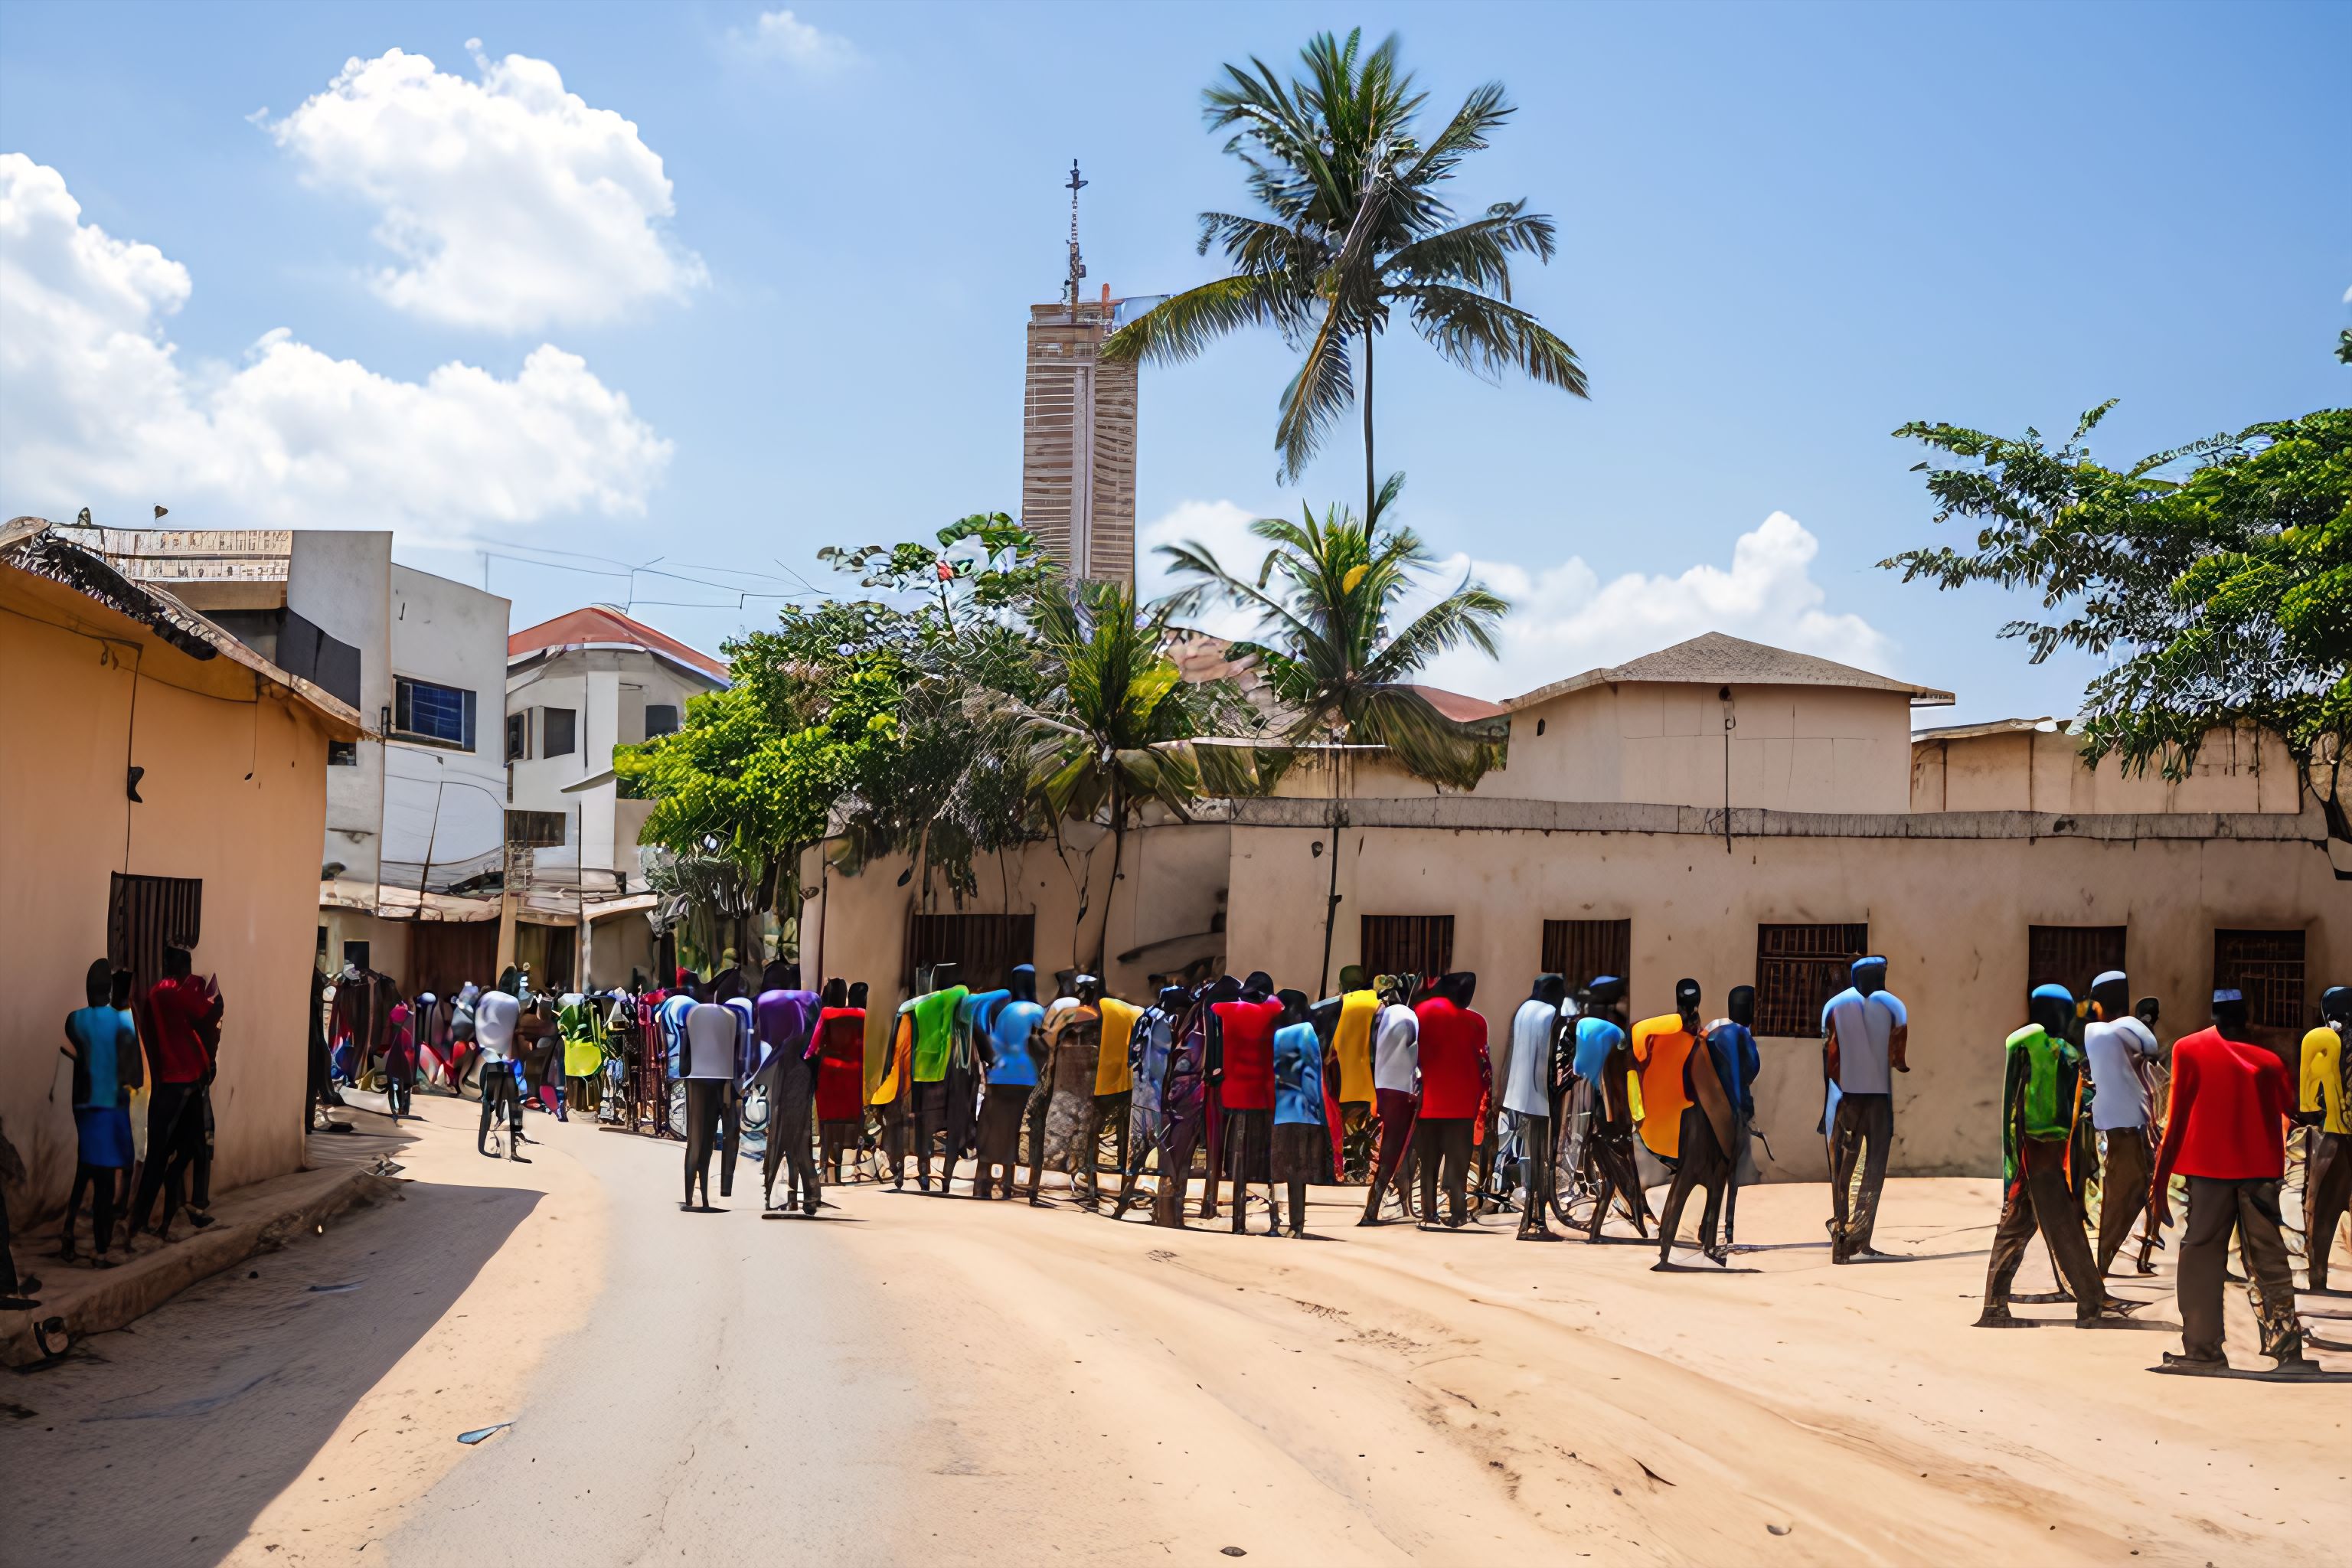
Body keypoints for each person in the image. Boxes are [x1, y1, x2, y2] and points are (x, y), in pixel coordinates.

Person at [2152, 989, 2311, 1373]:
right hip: (2259, 1174)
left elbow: (2177, 1119)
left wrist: (2158, 1183)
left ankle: (2203, 1349)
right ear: (2247, 1016)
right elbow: (2287, 1110)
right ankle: (2286, 1347)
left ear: (2213, 1015)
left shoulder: (2189, 1049)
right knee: (2268, 1258)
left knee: (2200, 1257)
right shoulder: (2269, 1061)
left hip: (2208, 1173)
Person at [1977, 985, 2134, 1326]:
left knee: (2027, 1225)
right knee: (2051, 1226)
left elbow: (2075, 1105)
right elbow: (2012, 1103)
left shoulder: (2063, 1051)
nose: (2066, 1019)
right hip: (2037, 1152)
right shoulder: (2030, 1044)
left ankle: (2084, 1303)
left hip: (2046, 1151)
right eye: (2062, 1012)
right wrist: (2013, 1157)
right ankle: (2088, 1305)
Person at [1657, 985, 1759, 1267]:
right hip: (1718, 1120)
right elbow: (1744, 1076)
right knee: (1718, 1180)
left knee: (1684, 1181)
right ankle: (1712, 1244)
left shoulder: (1708, 1033)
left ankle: (1665, 1246)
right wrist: (1740, 1112)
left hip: (1693, 1116)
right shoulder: (1739, 1036)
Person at [127, 947, 223, 1243]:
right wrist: (211, 994)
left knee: (177, 1148)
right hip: (180, 1080)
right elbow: (209, 1011)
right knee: (185, 1146)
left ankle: (165, 1212)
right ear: (175, 966)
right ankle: (156, 1214)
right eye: (185, 964)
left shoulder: (161, 993)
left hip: (179, 1079)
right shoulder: (170, 991)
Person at [1822, 956, 1907, 1263]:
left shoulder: (1834, 1007)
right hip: (1878, 1101)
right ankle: (1860, 1238)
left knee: (1843, 1171)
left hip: (1847, 1099)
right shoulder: (1893, 1007)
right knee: (1873, 1171)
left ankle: (1841, 1240)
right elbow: (1899, 1057)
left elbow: (1829, 1059)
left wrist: (1829, 1106)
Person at [2081, 970, 2163, 1276]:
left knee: (2123, 1192)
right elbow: (2151, 1045)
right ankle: (2100, 1262)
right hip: (2125, 1129)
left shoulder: (2096, 1033)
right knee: (2126, 1193)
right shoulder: (2115, 1029)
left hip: (2115, 1127)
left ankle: (2103, 1259)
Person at [60, 959, 140, 1266]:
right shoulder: (123, 1024)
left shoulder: (76, 1020)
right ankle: (101, 1249)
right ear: (109, 990)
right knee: (105, 1182)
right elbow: (136, 1078)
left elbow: (76, 1038)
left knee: (85, 1169)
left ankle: (68, 1231)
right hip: (110, 1110)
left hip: (84, 1110)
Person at [1571, 977, 1649, 1241]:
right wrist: (1636, 1113)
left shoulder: (1581, 1025)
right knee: (1618, 1174)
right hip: (1611, 1113)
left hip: (1584, 1111)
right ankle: (1626, 1225)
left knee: (1609, 1175)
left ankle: (1636, 1222)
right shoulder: (1616, 1031)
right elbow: (1626, 1076)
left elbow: (1577, 1068)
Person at [1413, 972, 1488, 1230]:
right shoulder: (1476, 1022)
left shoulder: (1422, 1012)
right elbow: (1482, 1059)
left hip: (1429, 1101)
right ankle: (1458, 1213)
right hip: (1463, 1103)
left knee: (1428, 1164)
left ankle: (1428, 1212)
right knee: (1458, 1164)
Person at [1212, 974, 1283, 1233]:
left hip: (1233, 1091)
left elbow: (1215, 1005)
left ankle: (1237, 1211)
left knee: (1236, 1147)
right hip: (1262, 1094)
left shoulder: (1229, 1011)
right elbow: (1278, 1003)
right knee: (1263, 1148)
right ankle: (1263, 1202)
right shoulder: (1273, 1012)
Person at [755, 964, 823, 1216]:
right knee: (800, 1133)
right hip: (803, 1071)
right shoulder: (811, 1000)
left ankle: (793, 1191)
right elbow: (818, 1042)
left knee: (783, 1130)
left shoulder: (767, 1002)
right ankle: (808, 1191)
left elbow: (766, 1042)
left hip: (782, 1072)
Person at [1504, 975, 1567, 1240]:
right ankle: (1535, 1223)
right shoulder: (1551, 1014)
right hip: (1540, 1097)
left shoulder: (1524, 1009)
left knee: (1529, 1159)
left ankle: (1529, 1221)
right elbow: (1553, 1060)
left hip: (1518, 1096)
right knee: (1542, 1161)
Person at [1269, 990, 1331, 1238]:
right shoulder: (1306, 1031)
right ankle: (1296, 1223)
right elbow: (1312, 1072)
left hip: (1282, 1111)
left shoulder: (1278, 1033)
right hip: (1303, 1111)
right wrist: (1318, 1106)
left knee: (1284, 1170)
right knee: (1297, 1173)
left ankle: (1285, 1222)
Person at [1359, 975, 1421, 1225]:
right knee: (1395, 1148)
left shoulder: (1384, 1015)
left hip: (1383, 1085)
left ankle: (1401, 1205)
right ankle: (1371, 1211)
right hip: (1402, 1090)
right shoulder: (1409, 1016)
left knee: (1396, 1148)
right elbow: (1415, 1050)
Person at [2300, 986, 2349, 1290]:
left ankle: (2317, 1275)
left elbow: (2311, 1098)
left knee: (2321, 1209)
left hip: (2337, 1137)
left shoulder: (2329, 1043)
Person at [678, 985, 743, 1209]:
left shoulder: (692, 1014)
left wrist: (686, 1073)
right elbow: (738, 1053)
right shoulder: (732, 1017)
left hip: (696, 1081)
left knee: (695, 1140)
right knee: (724, 1136)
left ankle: (689, 1196)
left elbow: (684, 1055)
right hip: (724, 1081)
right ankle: (721, 1188)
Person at [1631, 979, 1704, 1168]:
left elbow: (1637, 1032)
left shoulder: (1667, 1031)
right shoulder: (1694, 1035)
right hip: (1670, 1129)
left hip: (1660, 1130)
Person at [474, 985, 526, 1161]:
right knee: (512, 1106)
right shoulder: (509, 1005)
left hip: (495, 1063)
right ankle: (511, 1149)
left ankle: (487, 1146)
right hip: (504, 1063)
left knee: (492, 1103)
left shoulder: (488, 1007)